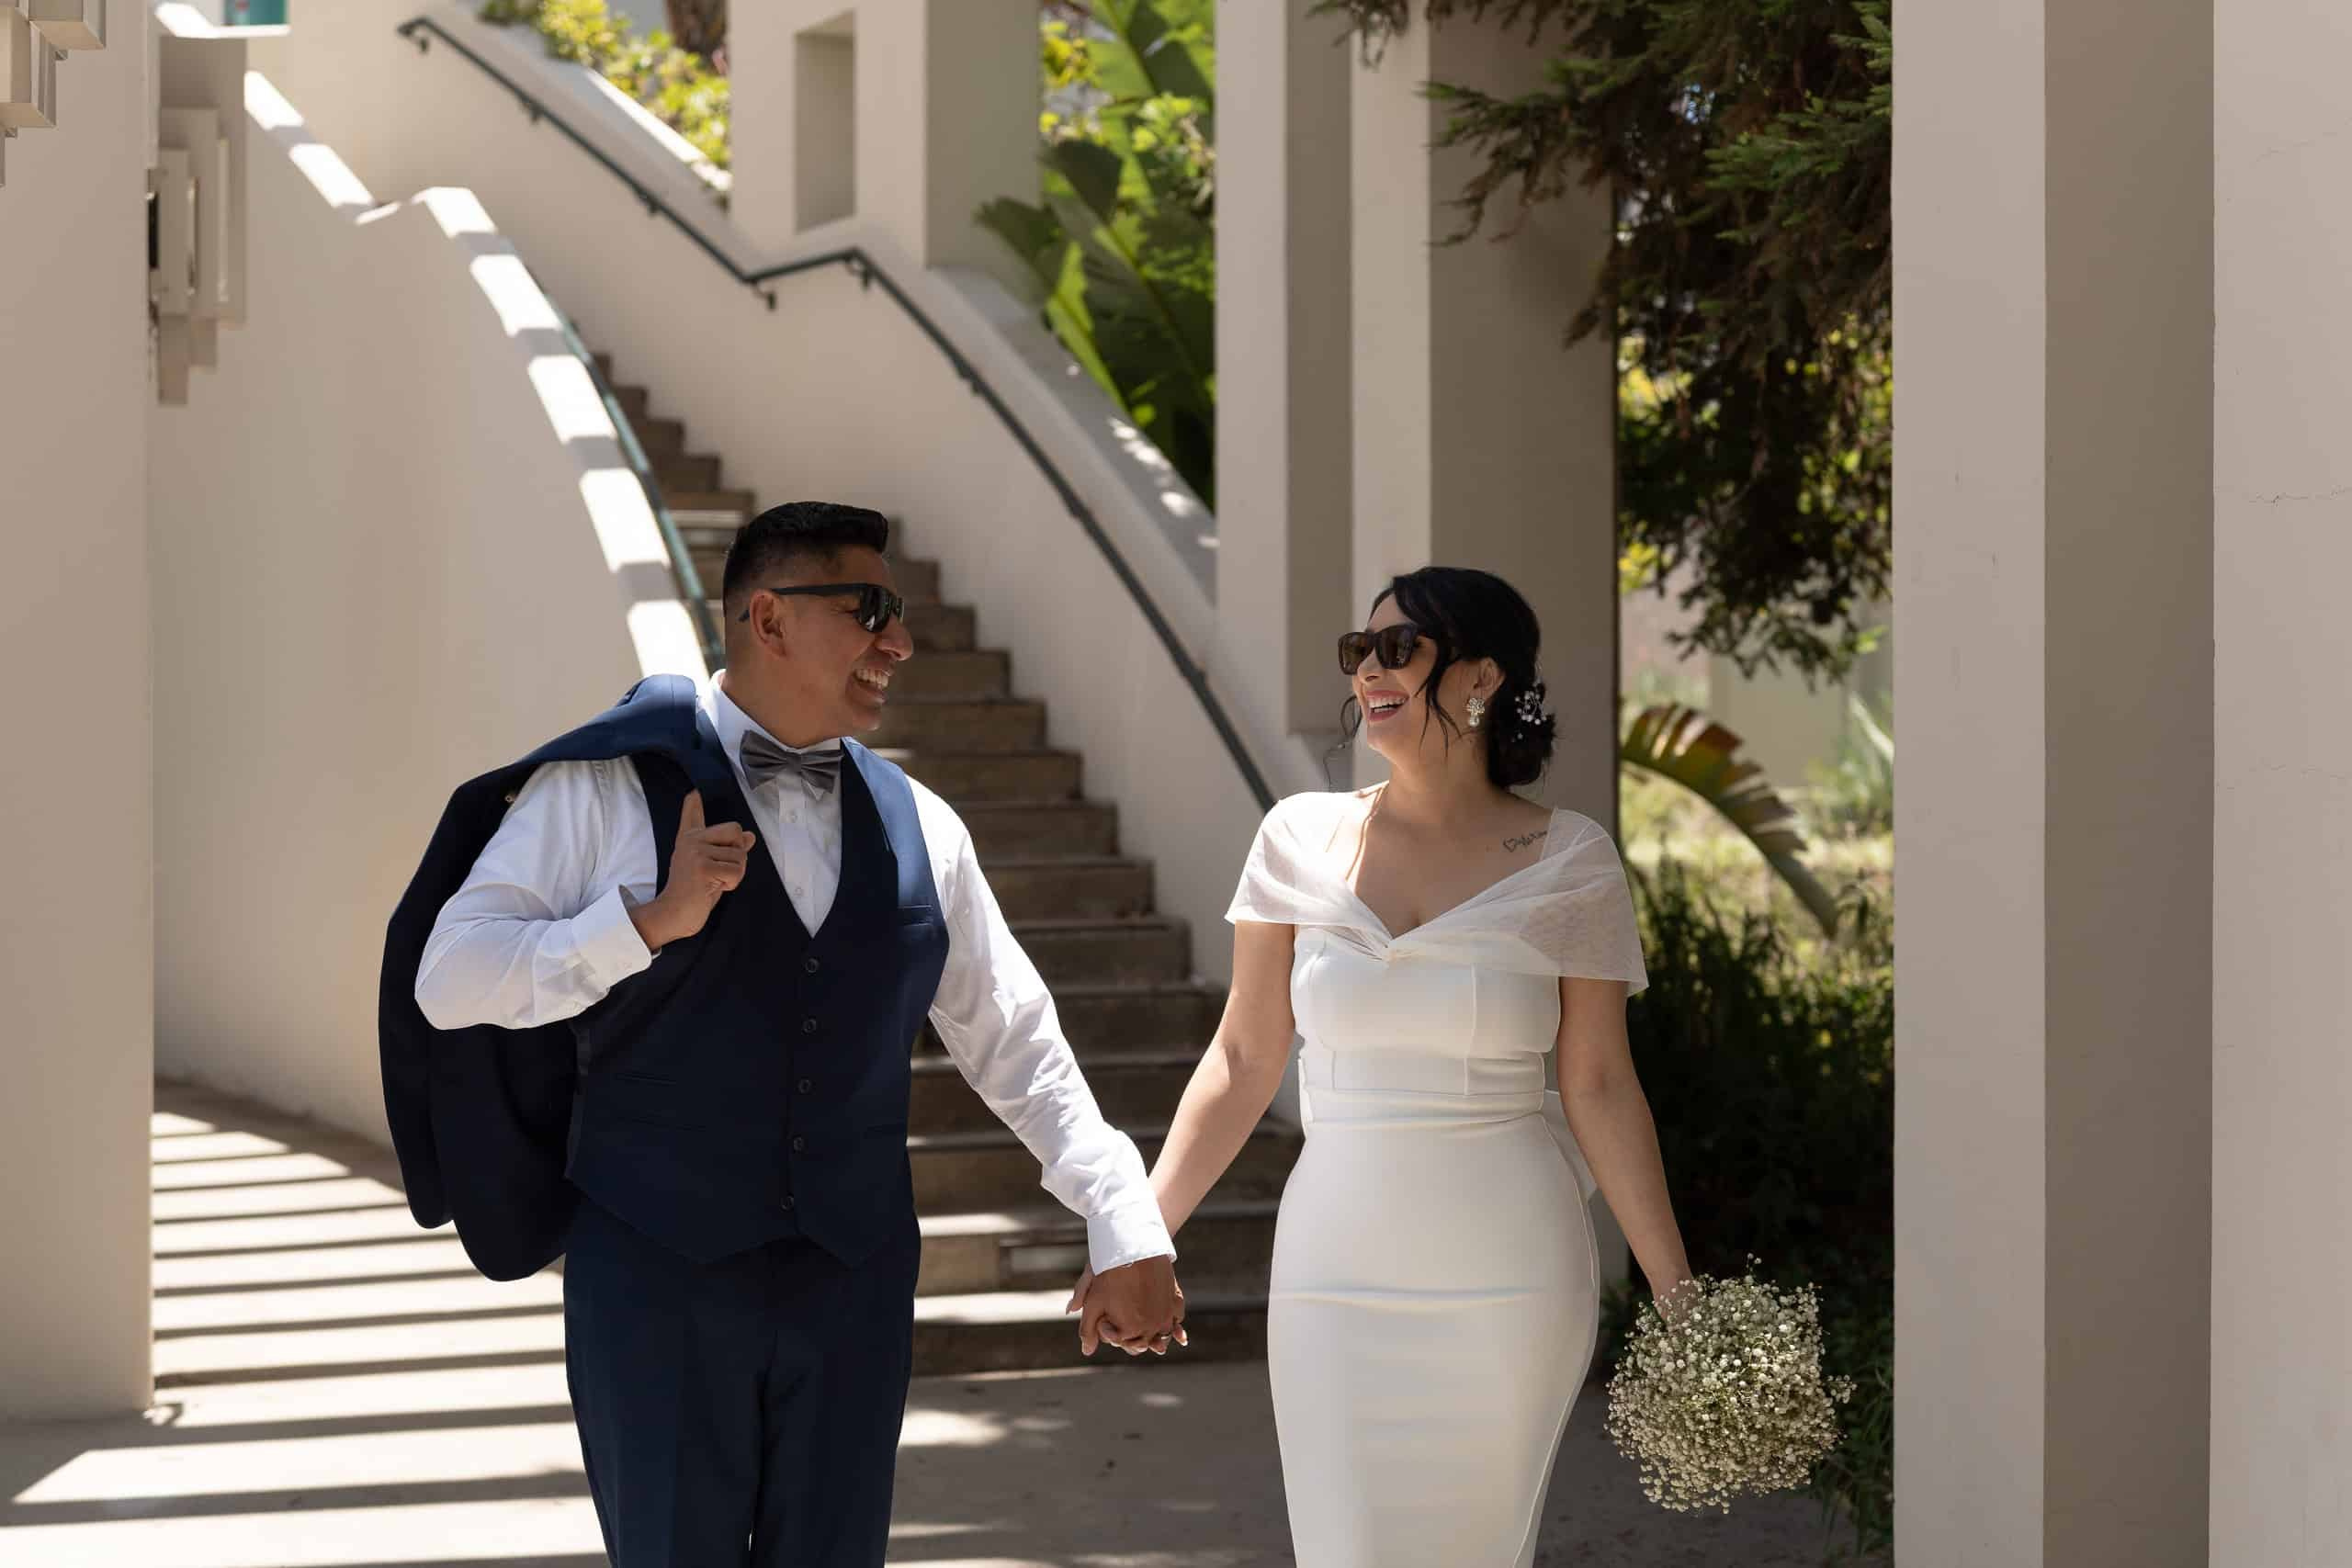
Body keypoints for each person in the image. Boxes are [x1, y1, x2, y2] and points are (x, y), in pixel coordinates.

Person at [403, 502, 1184, 1567]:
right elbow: (448, 978)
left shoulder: (924, 821)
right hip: (657, 1278)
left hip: (852, 1282)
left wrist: (1120, 1213)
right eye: (870, 610)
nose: (898, 643)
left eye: (898, 615)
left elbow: (1013, 1036)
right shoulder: (603, 789)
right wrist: (642, 924)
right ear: (767, 619)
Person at [1075, 565, 1692, 1565]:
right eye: (1358, 650)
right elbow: (1242, 1055)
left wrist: (1676, 1295)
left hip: (1512, 1276)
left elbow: (1599, 1084)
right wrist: (1135, 1235)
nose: (1368, 668)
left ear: (1481, 677)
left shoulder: (1569, 859)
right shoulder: (1296, 839)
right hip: (1334, 1274)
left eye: (1397, 646)